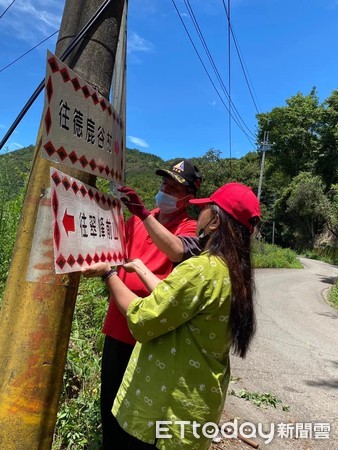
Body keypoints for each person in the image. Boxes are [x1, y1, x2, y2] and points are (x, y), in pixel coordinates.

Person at [82, 182, 261, 450]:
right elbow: (176, 298)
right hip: (198, 402)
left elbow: (142, 317)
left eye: (204, 210)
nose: (198, 214)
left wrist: (108, 274)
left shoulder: (201, 268)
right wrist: (142, 269)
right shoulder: (233, 274)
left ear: (214, 223)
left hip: (169, 405)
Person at [100, 159, 202, 449]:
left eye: (174, 187)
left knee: (140, 418)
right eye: (164, 184)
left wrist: (143, 214)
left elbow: (176, 251)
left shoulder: (189, 229)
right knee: (109, 406)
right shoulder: (137, 221)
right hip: (118, 329)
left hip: (150, 341)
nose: (165, 191)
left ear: (188, 197)